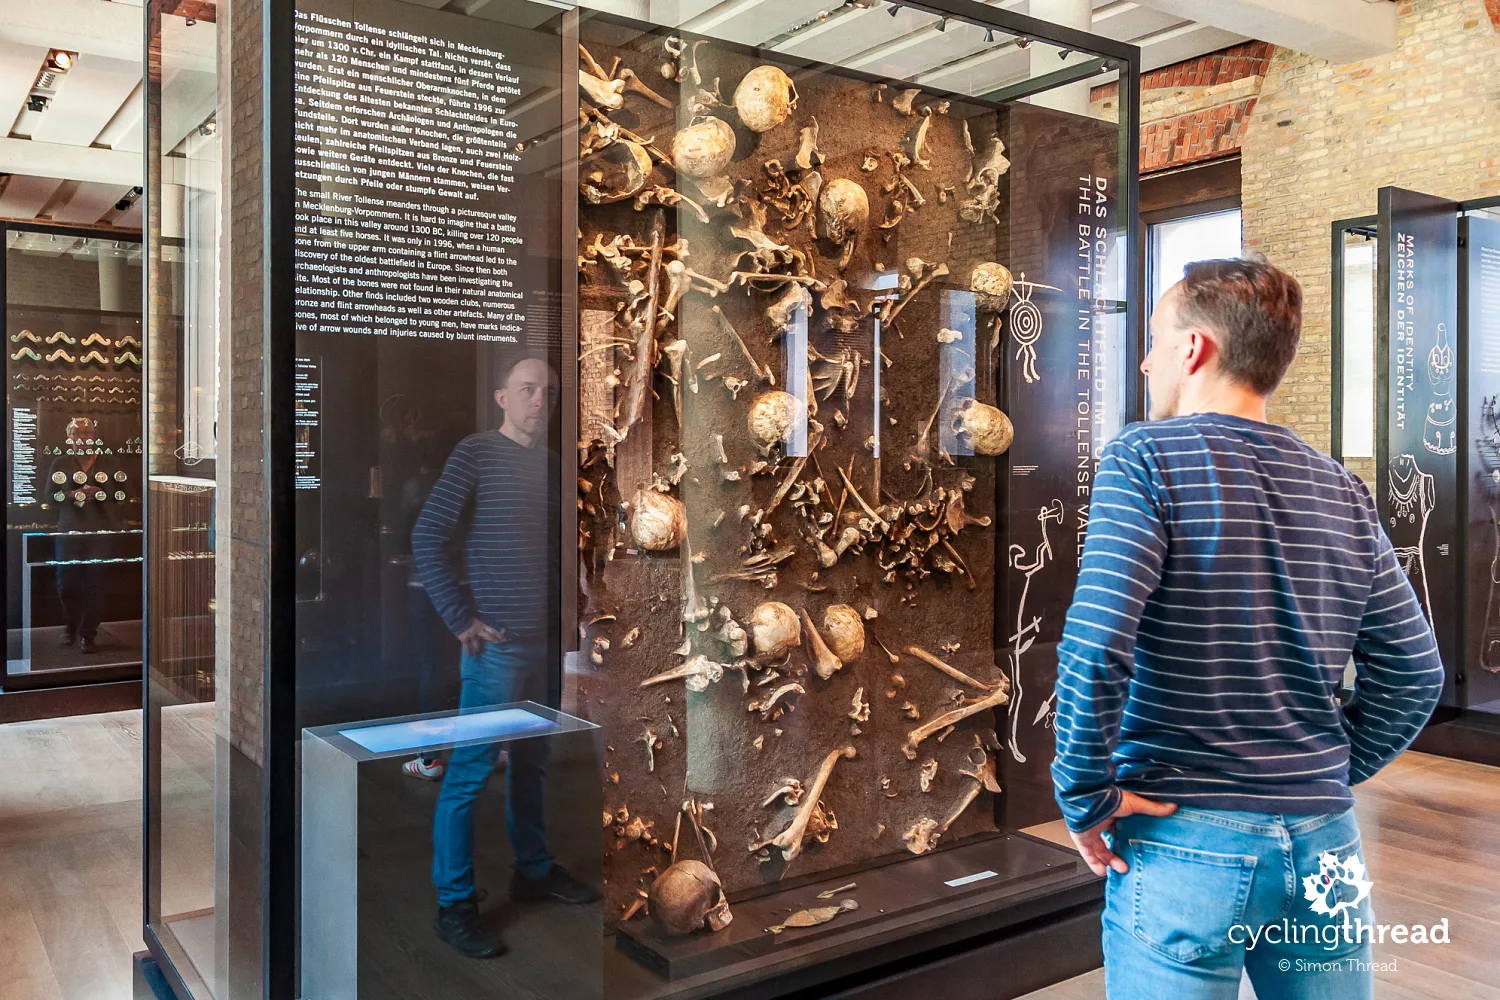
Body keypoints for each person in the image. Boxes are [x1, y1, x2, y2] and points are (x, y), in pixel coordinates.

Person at [1051, 258, 1444, 998]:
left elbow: (1099, 642)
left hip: (1186, 837)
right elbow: (1417, 671)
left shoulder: (1144, 458)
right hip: (1326, 839)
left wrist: (1084, 794)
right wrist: (1323, 773)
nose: (1144, 360)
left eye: (1155, 340)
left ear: (1195, 349)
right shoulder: (1342, 487)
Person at [412, 351, 597, 960]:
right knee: (467, 775)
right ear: (501, 398)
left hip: (541, 648)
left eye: (547, 392)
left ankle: (535, 872)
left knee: (533, 765)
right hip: (497, 652)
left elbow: (552, 555)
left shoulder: (548, 466)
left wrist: (570, 625)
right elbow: (427, 535)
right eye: (527, 390)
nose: (539, 401)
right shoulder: (475, 453)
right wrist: (459, 617)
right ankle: (454, 904)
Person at [47, 416, 117, 654]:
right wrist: (71, 495)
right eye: (77, 434)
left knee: (95, 584)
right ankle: (71, 625)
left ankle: (88, 634)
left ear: (94, 437)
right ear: (70, 438)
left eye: (87, 433)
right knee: (66, 583)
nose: (83, 437)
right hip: (68, 531)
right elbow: (49, 498)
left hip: (100, 532)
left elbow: (124, 495)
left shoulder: (109, 462)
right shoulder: (60, 463)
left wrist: (100, 493)